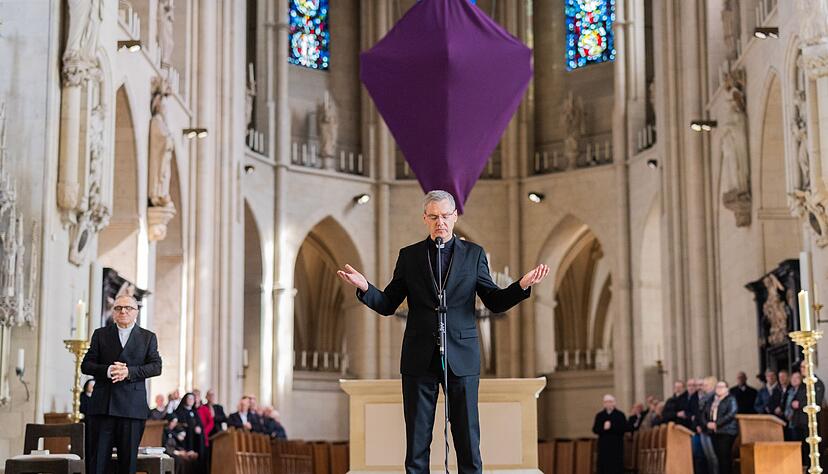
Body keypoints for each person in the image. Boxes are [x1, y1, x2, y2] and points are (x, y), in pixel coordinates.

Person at [336, 190, 549, 474]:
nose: (441, 222)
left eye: (446, 216)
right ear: (425, 218)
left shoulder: (473, 255)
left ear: (455, 216)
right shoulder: (409, 256)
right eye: (434, 217)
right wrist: (365, 287)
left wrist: (521, 285)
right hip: (419, 357)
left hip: (462, 356)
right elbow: (388, 304)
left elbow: (494, 301)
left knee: (467, 439)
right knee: (417, 441)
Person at [81, 294, 162, 474]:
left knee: (127, 464)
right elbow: (86, 365)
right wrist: (108, 370)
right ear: (113, 312)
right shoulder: (101, 334)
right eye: (118, 308)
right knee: (97, 463)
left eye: (128, 308)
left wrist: (129, 372)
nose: (123, 311)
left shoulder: (148, 337)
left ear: (136, 312)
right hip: (103, 406)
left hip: (132, 409)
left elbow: (156, 367)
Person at [705, 381, 738, 474]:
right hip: (714, 431)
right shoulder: (712, 400)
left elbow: (732, 413)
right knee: (718, 457)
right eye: (717, 387)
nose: (719, 389)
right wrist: (707, 423)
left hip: (727, 431)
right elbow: (705, 412)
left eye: (721, 387)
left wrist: (717, 423)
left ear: (727, 389)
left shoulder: (731, 399)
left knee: (725, 457)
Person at [592, 394, 627, 474]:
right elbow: (595, 430)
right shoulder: (600, 415)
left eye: (610, 402)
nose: (608, 404)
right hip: (604, 445)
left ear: (614, 403)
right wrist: (603, 428)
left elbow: (624, 428)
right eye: (606, 402)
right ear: (603, 404)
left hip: (616, 444)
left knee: (616, 466)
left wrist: (612, 426)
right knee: (604, 466)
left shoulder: (620, 415)